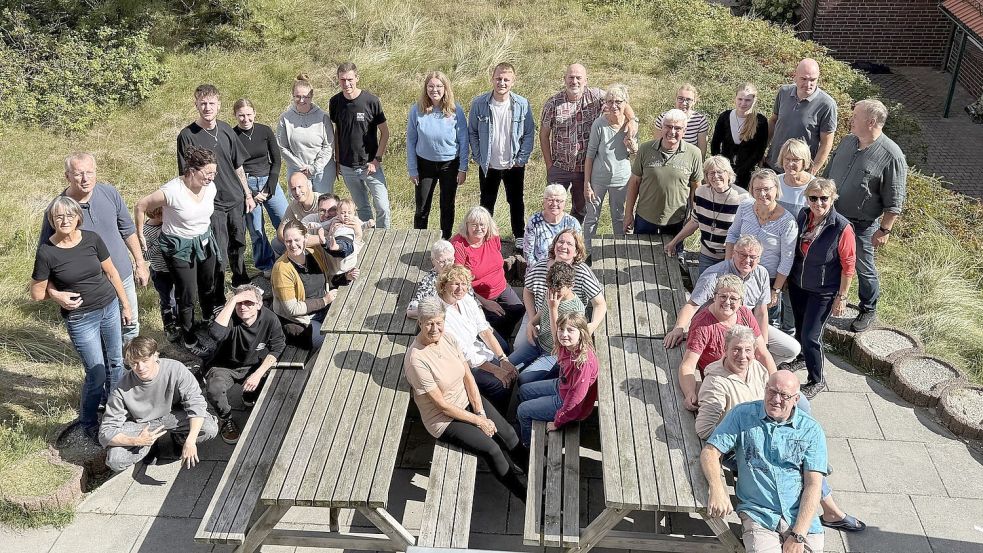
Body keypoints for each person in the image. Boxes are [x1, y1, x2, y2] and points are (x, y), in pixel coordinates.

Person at [696, 327, 866, 534]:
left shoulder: (756, 369)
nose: (743, 356)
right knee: (798, 466)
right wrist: (736, 428)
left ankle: (827, 510)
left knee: (802, 459)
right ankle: (830, 512)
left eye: (748, 350)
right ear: (725, 349)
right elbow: (704, 430)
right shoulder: (716, 382)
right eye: (736, 349)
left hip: (770, 428)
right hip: (739, 445)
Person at [405, 298, 528, 500]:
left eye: (439, 323)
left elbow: (468, 376)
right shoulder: (416, 360)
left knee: (508, 433)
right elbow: (442, 405)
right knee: (492, 449)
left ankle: (535, 473)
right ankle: (524, 495)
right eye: (429, 323)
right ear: (420, 322)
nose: (435, 328)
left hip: (467, 400)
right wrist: (480, 421)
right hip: (444, 419)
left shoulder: (449, 339)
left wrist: (480, 411)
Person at [31, 196, 132, 442]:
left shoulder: (91, 239)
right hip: (80, 318)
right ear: (52, 221)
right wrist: (57, 296)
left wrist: (125, 305)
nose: (64, 220)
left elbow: (112, 272)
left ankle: (115, 411)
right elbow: (36, 293)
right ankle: (88, 421)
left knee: (116, 362)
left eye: (69, 215)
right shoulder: (47, 251)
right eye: (58, 216)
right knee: (96, 372)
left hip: (108, 307)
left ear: (78, 217)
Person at [702, 371, 827, 553]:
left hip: (799, 517)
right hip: (759, 514)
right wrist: (717, 488)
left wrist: (798, 535)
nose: (776, 399)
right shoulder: (742, 415)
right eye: (771, 392)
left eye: (784, 395)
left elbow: (814, 484)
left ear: (796, 399)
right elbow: (710, 452)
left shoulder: (811, 430)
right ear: (765, 389)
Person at [39, 152, 147, 343]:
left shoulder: (109, 193)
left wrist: (140, 263)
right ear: (68, 176)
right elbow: (46, 256)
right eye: (79, 173)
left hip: (122, 274)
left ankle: (131, 369)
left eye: (90, 172)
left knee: (130, 325)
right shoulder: (58, 210)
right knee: (102, 335)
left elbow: (128, 230)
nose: (85, 178)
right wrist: (55, 294)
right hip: (90, 286)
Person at [825, 98, 907, 332]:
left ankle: (868, 308)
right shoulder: (849, 141)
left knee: (863, 266)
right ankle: (830, 297)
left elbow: (895, 199)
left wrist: (885, 230)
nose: (851, 119)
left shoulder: (892, 155)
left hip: (862, 225)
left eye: (856, 116)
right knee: (829, 259)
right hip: (833, 216)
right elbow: (829, 174)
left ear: (871, 122)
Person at [664, 235, 800, 368]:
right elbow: (693, 305)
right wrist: (679, 328)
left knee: (791, 349)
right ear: (733, 253)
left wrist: (763, 346)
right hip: (717, 323)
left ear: (759, 258)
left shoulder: (762, 273)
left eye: (753, 257)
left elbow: (761, 313)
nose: (748, 260)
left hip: (747, 323)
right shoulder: (715, 274)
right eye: (743, 255)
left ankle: (754, 368)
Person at [136, 146, 222, 354]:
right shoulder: (172, 191)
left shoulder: (209, 187)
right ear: (192, 170)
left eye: (214, 173)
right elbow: (141, 205)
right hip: (179, 247)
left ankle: (209, 321)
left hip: (203, 241)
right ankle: (189, 338)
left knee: (208, 285)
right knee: (187, 294)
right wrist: (139, 233)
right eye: (208, 173)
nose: (212, 177)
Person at [100, 336, 219, 471]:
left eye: (145, 361)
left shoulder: (176, 369)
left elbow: (196, 403)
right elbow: (106, 431)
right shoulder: (121, 388)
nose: (140, 367)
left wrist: (190, 441)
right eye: (134, 363)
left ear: (155, 355)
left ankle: (179, 438)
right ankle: (149, 445)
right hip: (142, 424)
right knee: (116, 460)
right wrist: (137, 441)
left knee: (209, 428)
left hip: (173, 415)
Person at [177, 83, 254, 289]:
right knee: (218, 249)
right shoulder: (187, 136)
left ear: (218, 105)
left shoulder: (227, 129)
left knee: (239, 243)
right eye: (203, 103)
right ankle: (217, 292)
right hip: (212, 204)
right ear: (196, 105)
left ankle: (241, 280)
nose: (207, 108)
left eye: (211, 103)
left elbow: (238, 165)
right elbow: (186, 174)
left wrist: (247, 194)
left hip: (235, 197)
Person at [540, 64, 636, 222]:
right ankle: (552, 241)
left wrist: (632, 119)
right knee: (553, 205)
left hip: (584, 168)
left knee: (581, 209)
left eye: (578, 78)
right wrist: (549, 165)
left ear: (586, 80)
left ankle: (573, 240)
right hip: (559, 166)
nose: (574, 81)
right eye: (571, 77)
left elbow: (619, 101)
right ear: (565, 79)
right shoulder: (553, 103)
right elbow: (544, 135)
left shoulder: (596, 96)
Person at [788, 179, 856, 398]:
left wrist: (842, 296)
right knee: (800, 327)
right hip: (799, 284)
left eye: (824, 198)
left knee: (811, 336)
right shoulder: (803, 216)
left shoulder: (841, 227)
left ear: (832, 198)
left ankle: (816, 379)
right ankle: (801, 358)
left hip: (823, 291)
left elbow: (848, 265)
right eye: (813, 198)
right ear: (807, 199)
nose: (818, 203)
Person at [676, 275, 776, 411]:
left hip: (748, 371)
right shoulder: (702, 325)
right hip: (722, 378)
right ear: (714, 296)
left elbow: (762, 353)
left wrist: (776, 383)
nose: (727, 302)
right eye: (723, 297)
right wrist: (690, 393)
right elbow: (688, 365)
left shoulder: (745, 313)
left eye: (733, 298)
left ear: (741, 301)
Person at [204, 284, 286, 444]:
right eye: (239, 303)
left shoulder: (269, 318)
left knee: (266, 376)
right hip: (224, 366)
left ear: (259, 304)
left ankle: (249, 396)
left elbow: (278, 346)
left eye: (248, 302)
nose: (243, 307)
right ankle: (225, 419)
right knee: (214, 389)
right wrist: (233, 300)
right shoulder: (229, 317)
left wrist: (258, 374)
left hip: (252, 364)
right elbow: (215, 334)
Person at [469, 62, 535, 247]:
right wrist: (479, 156)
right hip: (488, 163)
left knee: (515, 200)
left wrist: (521, 159)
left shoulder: (522, 104)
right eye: (498, 78)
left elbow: (529, 132)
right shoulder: (479, 103)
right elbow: (472, 131)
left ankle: (519, 235)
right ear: (492, 79)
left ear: (513, 81)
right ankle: (484, 236)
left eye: (506, 79)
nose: (502, 83)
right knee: (486, 201)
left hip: (513, 163)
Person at [437, 265, 517, 413]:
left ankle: (499, 413)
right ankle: (493, 416)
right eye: (455, 283)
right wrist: (495, 370)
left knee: (510, 372)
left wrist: (503, 359)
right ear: (444, 284)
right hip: (460, 364)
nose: (460, 288)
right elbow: (465, 354)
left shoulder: (466, 299)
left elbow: (484, 331)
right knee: (499, 383)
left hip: (477, 352)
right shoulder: (440, 314)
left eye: (464, 284)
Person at [725, 169, 797, 326]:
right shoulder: (744, 207)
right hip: (740, 274)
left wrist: (776, 290)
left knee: (767, 323)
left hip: (768, 279)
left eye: (767, 189)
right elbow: (732, 235)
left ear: (777, 189)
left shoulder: (787, 222)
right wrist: (728, 265)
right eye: (757, 189)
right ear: (751, 190)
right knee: (735, 319)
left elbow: (787, 258)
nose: (762, 193)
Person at [516, 312, 598, 447]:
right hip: (563, 386)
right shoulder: (568, 346)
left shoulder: (582, 363)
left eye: (570, 330)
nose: (564, 334)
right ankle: (528, 422)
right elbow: (556, 335)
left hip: (568, 402)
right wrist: (552, 307)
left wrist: (558, 421)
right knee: (524, 390)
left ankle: (527, 444)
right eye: (561, 329)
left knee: (522, 411)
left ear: (582, 333)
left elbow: (576, 399)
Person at [407, 71, 468, 239]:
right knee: (422, 207)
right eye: (431, 86)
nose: (435, 90)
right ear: (426, 88)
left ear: (445, 88)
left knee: (447, 206)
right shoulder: (417, 110)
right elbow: (411, 140)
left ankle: (445, 240)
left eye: (439, 86)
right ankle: (420, 240)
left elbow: (463, 140)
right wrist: (412, 169)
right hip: (424, 165)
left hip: (449, 165)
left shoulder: (456, 111)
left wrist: (463, 168)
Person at [329, 62, 391, 228]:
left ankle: (384, 240)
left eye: (350, 79)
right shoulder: (335, 102)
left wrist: (377, 159)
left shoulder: (371, 101)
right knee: (362, 208)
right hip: (347, 166)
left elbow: (385, 133)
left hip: (370, 165)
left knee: (382, 207)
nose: (347, 84)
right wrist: (337, 160)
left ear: (357, 78)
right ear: (338, 80)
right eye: (342, 80)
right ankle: (366, 242)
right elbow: (337, 132)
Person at [520, 229, 606, 349]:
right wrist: (532, 319)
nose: (563, 246)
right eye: (560, 242)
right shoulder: (540, 265)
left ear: (576, 252)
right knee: (519, 344)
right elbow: (527, 291)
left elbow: (600, 304)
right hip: (539, 314)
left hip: (566, 322)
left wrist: (592, 325)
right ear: (554, 245)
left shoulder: (582, 272)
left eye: (569, 244)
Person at [624, 109, 703, 239]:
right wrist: (628, 214)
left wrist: (694, 216)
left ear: (684, 131)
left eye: (677, 128)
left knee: (672, 256)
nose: (672, 132)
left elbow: (696, 187)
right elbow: (634, 182)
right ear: (662, 127)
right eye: (668, 126)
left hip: (676, 220)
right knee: (641, 255)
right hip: (645, 218)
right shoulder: (645, 149)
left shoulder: (694, 153)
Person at [664, 156, 749, 276]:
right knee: (703, 287)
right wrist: (674, 242)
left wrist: (729, 262)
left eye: (720, 172)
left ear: (728, 174)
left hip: (731, 256)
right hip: (707, 254)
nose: (715, 176)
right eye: (711, 173)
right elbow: (694, 222)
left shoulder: (742, 199)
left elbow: (746, 234)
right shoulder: (701, 193)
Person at [451, 206, 524, 338]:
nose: (479, 229)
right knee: (494, 320)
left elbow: (496, 258)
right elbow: (459, 281)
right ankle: (497, 343)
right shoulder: (459, 245)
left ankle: (504, 336)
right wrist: (485, 302)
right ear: (466, 226)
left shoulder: (493, 237)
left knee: (518, 309)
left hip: (501, 286)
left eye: (482, 224)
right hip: (476, 294)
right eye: (474, 225)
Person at [510, 262, 585, 386]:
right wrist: (531, 323)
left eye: (559, 290)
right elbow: (543, 311)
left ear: (571, 285)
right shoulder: (551, 292)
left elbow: (560, 339)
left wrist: (553, 309)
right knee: (507, 365)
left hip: (555, 352)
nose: (554, 293)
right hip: (539, 342)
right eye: (551, 288)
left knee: (523, 379)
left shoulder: (576, 309)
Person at [234, 98, 285, 278]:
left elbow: (277, 160)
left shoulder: (264, 131)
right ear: (235, 116)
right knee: (256, 229)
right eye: (241, 116)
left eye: (248, 115)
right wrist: (252, 194)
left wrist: (269, 188)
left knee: (285, 220)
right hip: (247, 186)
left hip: (269, 180)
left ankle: (291, 255)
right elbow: (234, 167)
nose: (245, 119)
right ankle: (266, 264)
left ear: (254, 113)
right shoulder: (233, 136)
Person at [271, 221, 339, 350]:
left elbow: (326, 280)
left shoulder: (313, 252)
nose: (293, 245)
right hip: (301, 320)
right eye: (288, 241)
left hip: (325, 309)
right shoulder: (282, 269)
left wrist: (345, 277)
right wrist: (324, 301)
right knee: (330, 343)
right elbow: (292, 309)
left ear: (305, 238)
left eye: (297, 240)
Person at [583, 83, 636, 248]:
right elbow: (590, 154)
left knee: (619, 218)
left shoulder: (631, 125)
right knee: (592, 217)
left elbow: (635, 155)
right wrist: (587, 184)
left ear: (625, 103)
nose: (614, 106)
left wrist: (633, 147)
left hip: (622, 180)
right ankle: (587, 251)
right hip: (598, 179)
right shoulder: (599, 124)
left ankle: (621, 250)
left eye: (618, 101)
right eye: (610, 101)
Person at [766, 58, 838, 174]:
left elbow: (826, 143)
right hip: (772, 164)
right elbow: (774, 121)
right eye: (803, 79)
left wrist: (811, 172)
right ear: (795, 76)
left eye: (812, 80)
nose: (808, 84)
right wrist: (761, 151)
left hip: (799, 170)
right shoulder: (784, 92)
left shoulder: (827, 104)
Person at [775, 138, 815, 333]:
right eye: (787, 158)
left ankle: (790, 331)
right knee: (774, 289)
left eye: (796, 160)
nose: (791, 163)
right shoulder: (776, 182)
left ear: (805, 162)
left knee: (792, 294)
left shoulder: (813, 187)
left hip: (800, 250)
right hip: (775, 246)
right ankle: (771, 330)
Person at [277, 73, 335, 194]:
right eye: (298, 96)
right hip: (297, 169)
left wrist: (314, 168)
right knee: (300, 207)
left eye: (306, 97)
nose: (302, 100)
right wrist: (300, 166)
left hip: (322, 171)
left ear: (311, 96)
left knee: (325, 207)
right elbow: (282, 147)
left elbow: (328, 145)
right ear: (293, 96)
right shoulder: (285, 118)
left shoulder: (323, 117)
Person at [710, 82, 769, 189]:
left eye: (747, 100)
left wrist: (740, 171)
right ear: (735, 98)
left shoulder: (760, 121)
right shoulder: (725, 117)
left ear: (754, 100)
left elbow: (759, 151)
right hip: (723, 172)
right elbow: (715, 143)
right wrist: (720, 166)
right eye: (740, 99)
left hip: (746, 174)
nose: (743, 103)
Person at [407, 239, 475, 319]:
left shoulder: (460, 274)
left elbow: (474, 301)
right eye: (442, 261)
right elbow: (411, 310)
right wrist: (445, 314)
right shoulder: (430, 281)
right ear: (433, 261)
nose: (447, 265)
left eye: (450, 260)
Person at [142, 207, 179, 342]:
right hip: (160, 271)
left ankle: (179, 322)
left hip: (175, 268)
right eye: (161, 215)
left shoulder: (167, 223)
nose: (164, 218)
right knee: (168, 300)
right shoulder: (145, 231)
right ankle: (169, 326)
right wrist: (159, 241)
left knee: (178, 297)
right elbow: (145, 255)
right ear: (153, 214)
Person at [523, 185, 582, 266]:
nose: (554, 204)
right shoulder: (534, 222)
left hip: (566, 270)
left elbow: (578, 251)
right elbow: (528, 254)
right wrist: (542, 271)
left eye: (558, 201)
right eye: (550, 200)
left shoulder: (573, 223)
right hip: (538, 270)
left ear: (564, 203)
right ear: (544, 201)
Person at [656, 83, 710, 156]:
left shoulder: (700, 121)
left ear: (694, 101)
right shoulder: (663, 118)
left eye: (688, 100)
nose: (684, 103)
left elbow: (701, 152)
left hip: (689, 161)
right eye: (680, 98)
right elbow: (657, 145)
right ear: (675, 99)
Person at [273, 172, 321, 254]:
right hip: (302, 241)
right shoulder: (294, 205)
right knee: (276, 243)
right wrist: (292, 242)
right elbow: (281, 230)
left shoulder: (322, 202)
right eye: (293, 189)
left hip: (322, 241)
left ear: (309, 185)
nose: (297, 192)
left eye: (300, 187)